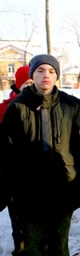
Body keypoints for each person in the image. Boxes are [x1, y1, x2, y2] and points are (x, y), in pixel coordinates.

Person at [2, 54, 80, 256]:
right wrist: (8, 189)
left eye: (51, 71)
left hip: (63, 188)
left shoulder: (71, 105)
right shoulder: (18, 107)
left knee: (59, 246)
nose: (46, 76)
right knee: (34, 247)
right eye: (40, 71)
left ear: (57, 75)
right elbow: (7, 153)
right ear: (33, 74)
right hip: (28, 192)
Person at [0, 65, 33, 256]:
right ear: (18, 85)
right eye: (26, 83)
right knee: (19, 223)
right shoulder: (4, 109)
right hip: (15, 177)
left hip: (39, 175)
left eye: (32, 82)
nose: (30, 86)